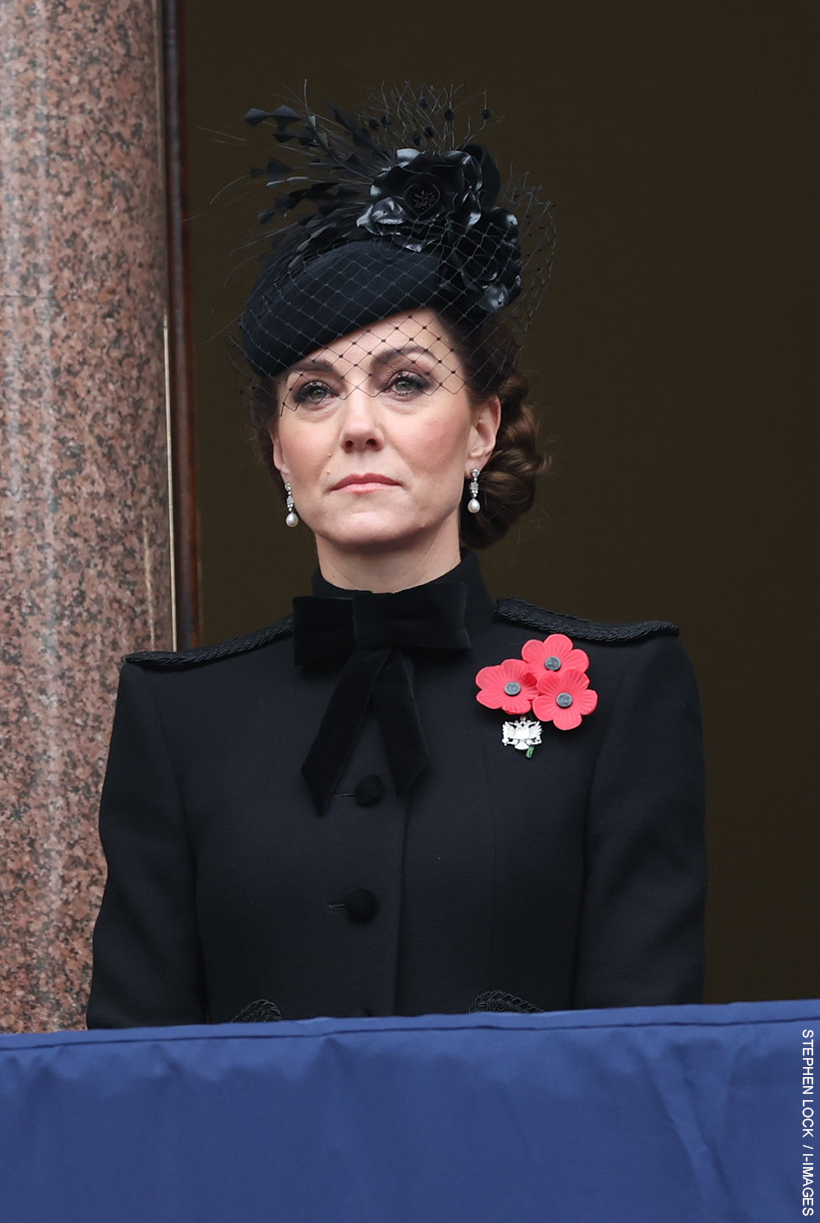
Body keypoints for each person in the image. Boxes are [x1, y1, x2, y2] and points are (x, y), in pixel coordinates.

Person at [86, 87, 707, 1028]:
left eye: (406, 382)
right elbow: (132, 1086)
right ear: (277, 450)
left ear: (481, 430)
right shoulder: (181, 719)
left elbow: (649, 1066)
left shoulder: (624, 696)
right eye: (316, 392)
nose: (359, 426)